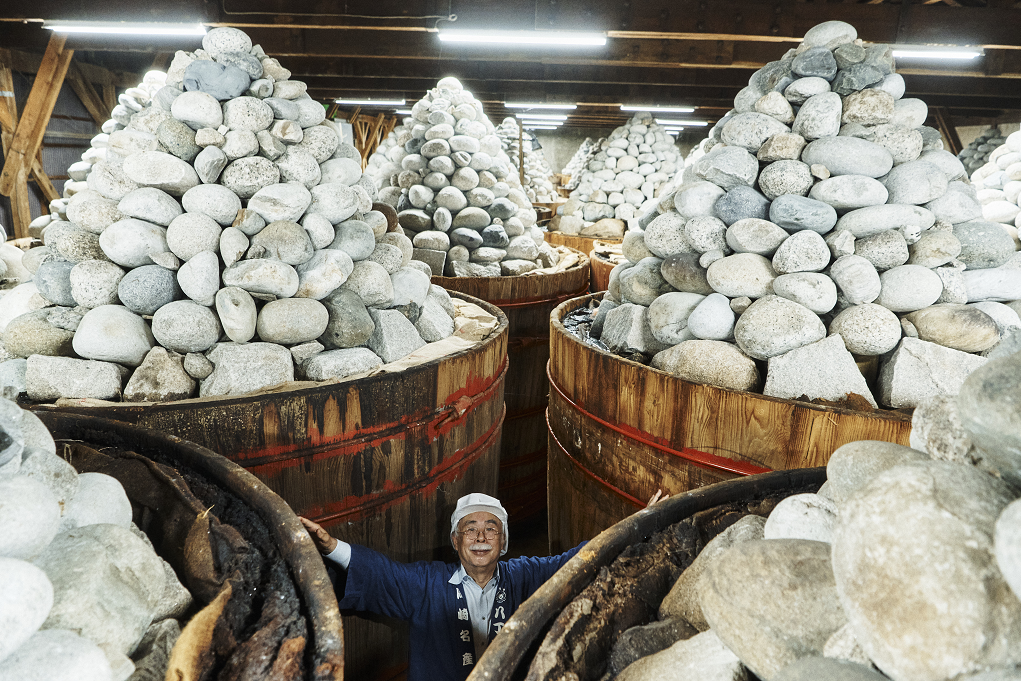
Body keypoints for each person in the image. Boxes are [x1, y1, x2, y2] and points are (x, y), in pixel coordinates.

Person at [299, 493, 585, 681]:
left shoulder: (524, 577)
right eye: (470, 528)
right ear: (455, 540)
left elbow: (576, 560)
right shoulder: (428, 583)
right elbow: (384, 574)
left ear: (504, 542)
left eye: (492, 528)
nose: (481, 537)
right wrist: (332, 548)